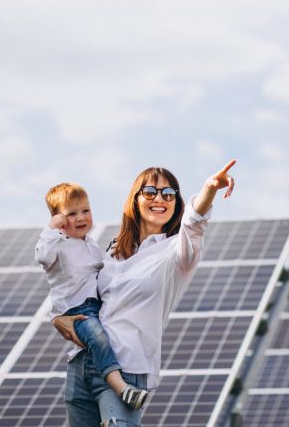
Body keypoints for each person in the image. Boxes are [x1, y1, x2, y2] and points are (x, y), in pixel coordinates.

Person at [52, 160, 236, 427]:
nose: (159, 198)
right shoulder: (112, 251)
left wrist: (209, 188)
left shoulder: (177, 253)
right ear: (136, 199)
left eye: (168, 194)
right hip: (83, 364)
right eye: (150, 192)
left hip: (127, 369)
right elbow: (82, 296)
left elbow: (195, 223)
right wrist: (59, 320)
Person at [35, 182, 148, 410]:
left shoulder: (92, 245)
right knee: (98, 337)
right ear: (59, 219)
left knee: (105, 335)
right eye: (72, 214)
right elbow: (43, 257)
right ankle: (121, 388)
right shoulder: (57, 244)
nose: (81, 218)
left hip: (94, 307)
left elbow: (103, 272)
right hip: (74, 311)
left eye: (85, 211)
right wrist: (51, 229)